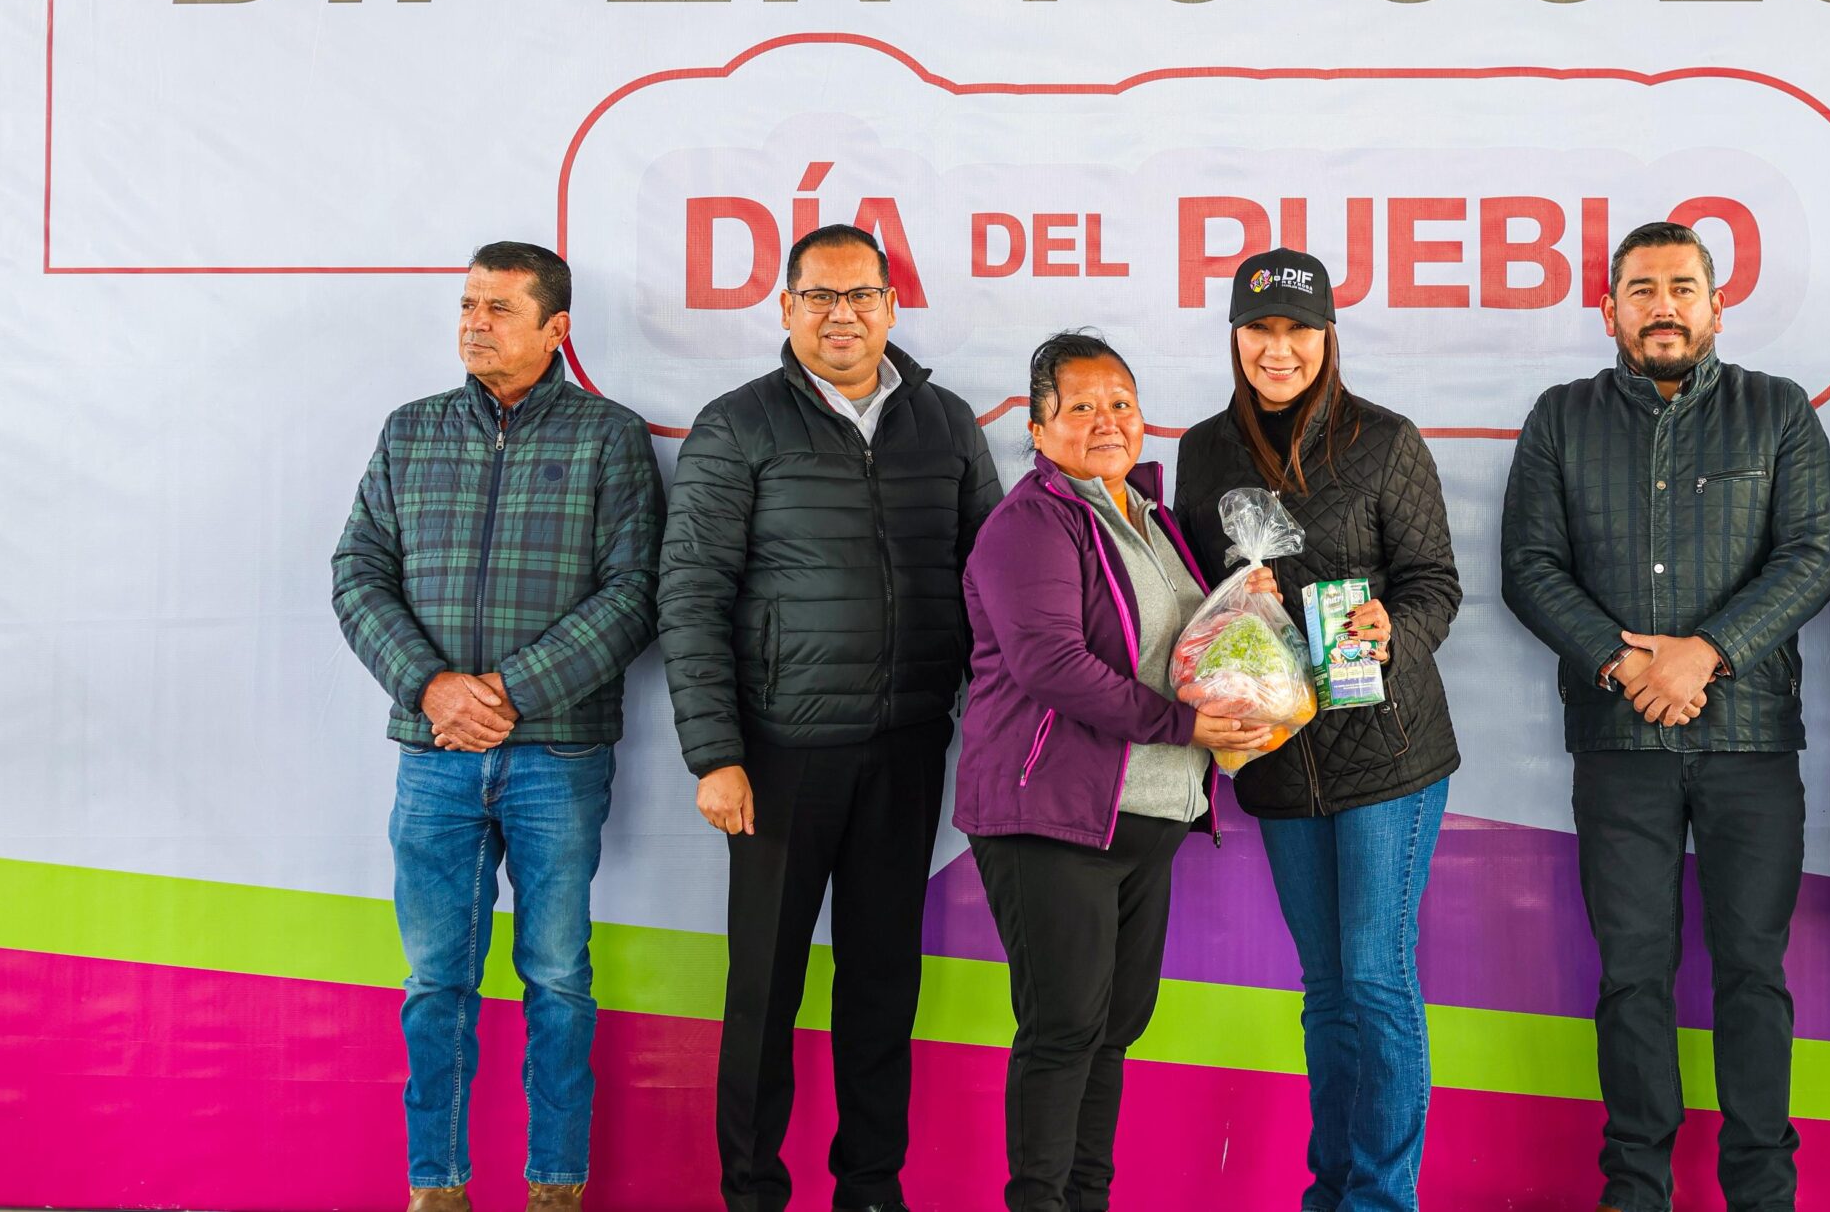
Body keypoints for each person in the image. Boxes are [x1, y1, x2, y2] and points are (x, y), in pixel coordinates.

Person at [656, 224, 1003, 1212]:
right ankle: (752, 1192)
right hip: (779, 756)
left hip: (908, 746)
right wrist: (716, 754)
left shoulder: (945, 422)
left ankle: (870, 1188)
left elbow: (991, 584)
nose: (840, 314)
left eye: (860, 296)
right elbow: (690, 595)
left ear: (891, 306)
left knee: (883, 985)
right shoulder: (739, 424)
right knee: (764, 989)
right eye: (819, 295)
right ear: (786, 307)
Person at [1499, 219, 1830, 1212]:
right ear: (1608, 309)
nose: (1662, 307)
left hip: (1750, 743)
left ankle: (1762, 1193)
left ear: (1716, 306)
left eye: (1682, 288)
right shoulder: (1560, 418)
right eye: (1641, 289)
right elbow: (1529, 567)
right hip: (1620, 744)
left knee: (1753, 975)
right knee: (1632, 977)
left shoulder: (1777, 410)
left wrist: (1706, 653)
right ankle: (1635, 1190)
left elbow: (1810, 555)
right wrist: (1622, 661)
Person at [331, 241, 665, 1212]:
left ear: (556, 328)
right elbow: (357, 573)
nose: (475, 323)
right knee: (435, 981)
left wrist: (509, 690)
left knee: (557, 977)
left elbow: (634, 593)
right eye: (468, 305)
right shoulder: (412, 430)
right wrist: (431, 687)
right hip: (432, 754)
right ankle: (436, 1186)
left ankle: (555, 1186)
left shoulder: (608, 436)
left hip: (557, 753)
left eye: (499, 308)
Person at [954, 331, 1279, 1212]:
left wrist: (1248, 613)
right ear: (1038, 426)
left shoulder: (1151, 517)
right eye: (1082, 406)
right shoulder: (1030, 523)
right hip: (1052, 813)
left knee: (1112, 1030)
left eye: (1121, 404)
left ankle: (1085, 1200)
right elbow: (1051, 663)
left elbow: (1178, 646)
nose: (1107, 421)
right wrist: (1185, 723)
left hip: (1150, 812)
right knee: (1064, 1026)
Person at [1172, 249, 1464, 1212]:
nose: (1279, 348)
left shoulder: (1384, 440)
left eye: (1298, 329)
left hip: (1388, 754)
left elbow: (1434, 583)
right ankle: (1330, 1189)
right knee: (1328, 987)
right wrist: (1230, 597)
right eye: (1259, 329)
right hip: (1275, 757)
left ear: (1328, 336)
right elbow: (1187, 596)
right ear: (1235, 338)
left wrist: (1393, 628)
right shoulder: (1204, 451)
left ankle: (1381, 1198)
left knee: (1376, 979)